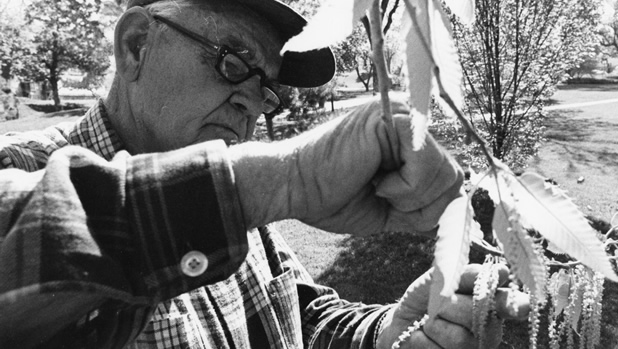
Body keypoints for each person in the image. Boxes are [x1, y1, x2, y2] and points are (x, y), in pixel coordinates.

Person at [0, 0, 528, 348]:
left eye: (267, 89)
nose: (252, 105)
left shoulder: (245, 210)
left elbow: (297, 318)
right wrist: (286, 178)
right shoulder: (21, 168)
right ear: (137, 44)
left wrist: (390, 332)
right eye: (233, 64)